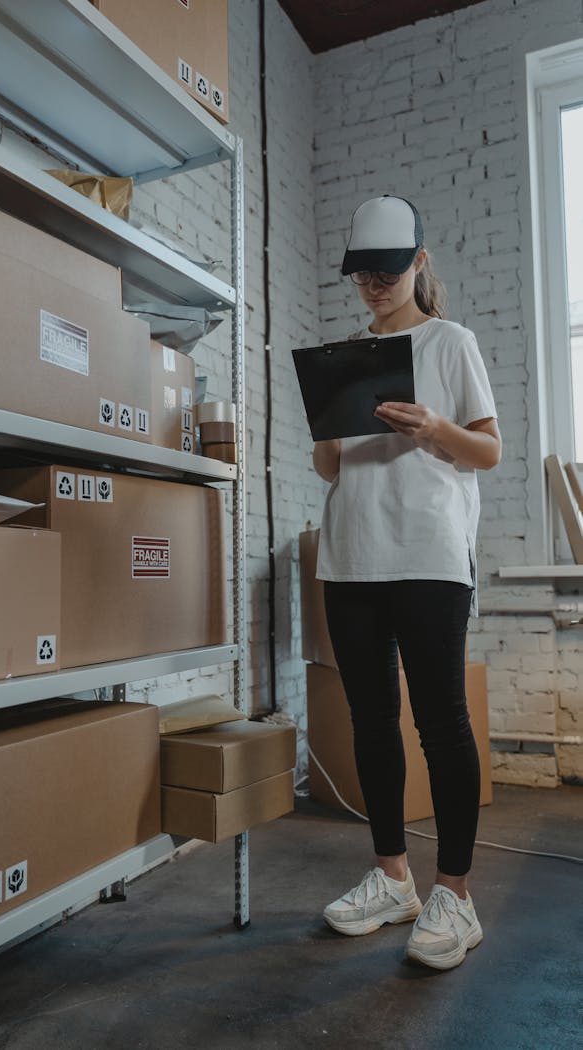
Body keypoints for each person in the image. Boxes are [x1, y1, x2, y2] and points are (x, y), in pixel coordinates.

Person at [313, 194, 501, 971]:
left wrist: (432, 429)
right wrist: (330, 426)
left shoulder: (451, 342)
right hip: (350, 554)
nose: (374, 286)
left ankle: (454, 893)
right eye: (362, 275)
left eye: (389, 271)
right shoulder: (343, 358)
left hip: (428, 553)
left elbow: (487, 452)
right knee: (370, 720)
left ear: (420, 263)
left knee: (441, 720)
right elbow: (329, 467)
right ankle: (394, 879)